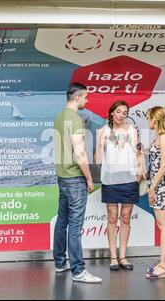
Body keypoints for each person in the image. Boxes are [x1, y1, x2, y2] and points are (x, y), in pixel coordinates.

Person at [53, 82, 102, 283]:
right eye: (86, 97)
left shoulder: (59, 117)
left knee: (61, 221)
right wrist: (89, 178)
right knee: (75, 225)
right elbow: (80, 153)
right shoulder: (74, 120)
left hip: (62, 176)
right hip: (74, 178)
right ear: (77, 98)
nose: (87, 100)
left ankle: (59, 262)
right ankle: (78, 270)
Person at [95, 100, 143, 271]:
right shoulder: (103, 131)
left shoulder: (132, 129)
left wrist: (138, 174)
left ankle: (123, 256)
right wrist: (101, 144)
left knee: (126, 217)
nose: (122, 115)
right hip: (110, 180)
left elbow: (137, 153)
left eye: (125, 112)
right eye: (119, 112)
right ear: (112, 112)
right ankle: (113, 257)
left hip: (129, 179)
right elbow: (98, 160)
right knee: (112, 217)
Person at [145, 106, 165, 279]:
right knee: (162, 224)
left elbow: (164, 165)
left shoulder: (164, 138)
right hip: (160, 184)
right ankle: (164, 262)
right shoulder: (162, 137)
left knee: (164, 225)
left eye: (149, 118)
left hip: (162, 186)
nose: (148, 121)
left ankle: (164, 265)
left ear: (154, 120)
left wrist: (152, 187)